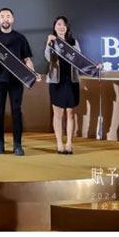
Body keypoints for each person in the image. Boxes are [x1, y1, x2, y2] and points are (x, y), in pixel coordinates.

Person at [0, 8, 41, 156]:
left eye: (8, 16)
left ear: (12, 19)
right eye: (2, 16)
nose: (5, 19)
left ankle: (17, 145)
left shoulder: (20, 38)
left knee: (16, 112)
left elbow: (27, 59)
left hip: (16, 81)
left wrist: (33, 73)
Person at [44, 16, 90, 155]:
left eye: (64, 24)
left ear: (67, 27)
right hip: (56, 81)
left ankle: (69, 142)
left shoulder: (73, 42)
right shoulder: (52, 41)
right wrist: (49, 43)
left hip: (71, 81)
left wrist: (94, 67)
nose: (61, 27)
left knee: (70, 113)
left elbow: (80, 60)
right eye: (59, 24)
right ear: (54, 27)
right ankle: (59, 143)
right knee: (57, 114)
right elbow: (48, 58)